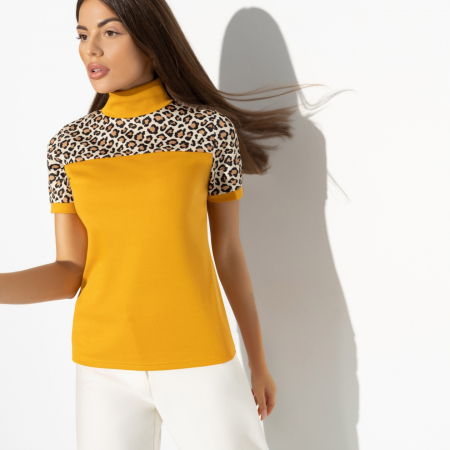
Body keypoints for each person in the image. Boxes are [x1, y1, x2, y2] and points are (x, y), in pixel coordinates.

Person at [0, 0, 317, 448]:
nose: (91, 48)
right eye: (83, 35)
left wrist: (257, 362)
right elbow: (69, 271)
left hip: (199, 356)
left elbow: (228, 253)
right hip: (103, 366)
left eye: (110, 32)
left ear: (149, 38)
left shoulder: (209, 131)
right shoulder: (68, 146)